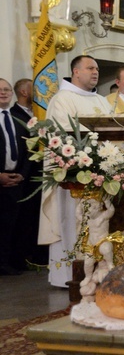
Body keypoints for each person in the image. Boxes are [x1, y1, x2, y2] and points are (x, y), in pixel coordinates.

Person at [41, 55, 112, 287]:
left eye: (97, 69)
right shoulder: (62, 99)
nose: (95, 72)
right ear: (76, 72)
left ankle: (99, 272)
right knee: (72, 222)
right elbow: (62, 137)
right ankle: (71, 277)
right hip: (73, 176)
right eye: (90, 67)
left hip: (100, 173)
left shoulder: (101, 100)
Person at [13, 78, 48, 269]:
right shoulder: (13, 115)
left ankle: (39, 254)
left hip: (42, 172)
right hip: (26, 174)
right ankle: (23, 255)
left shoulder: (39, 113)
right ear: (24, 92)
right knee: (25, 218)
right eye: (34, 89)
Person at [0, 78, 30, 275]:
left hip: (16, 180)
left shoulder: (16, 119)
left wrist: (22, 174)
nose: (3, 93)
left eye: (7, 89)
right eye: (0, 90)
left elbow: (28, 150)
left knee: (12, 224)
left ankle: (9, 261)